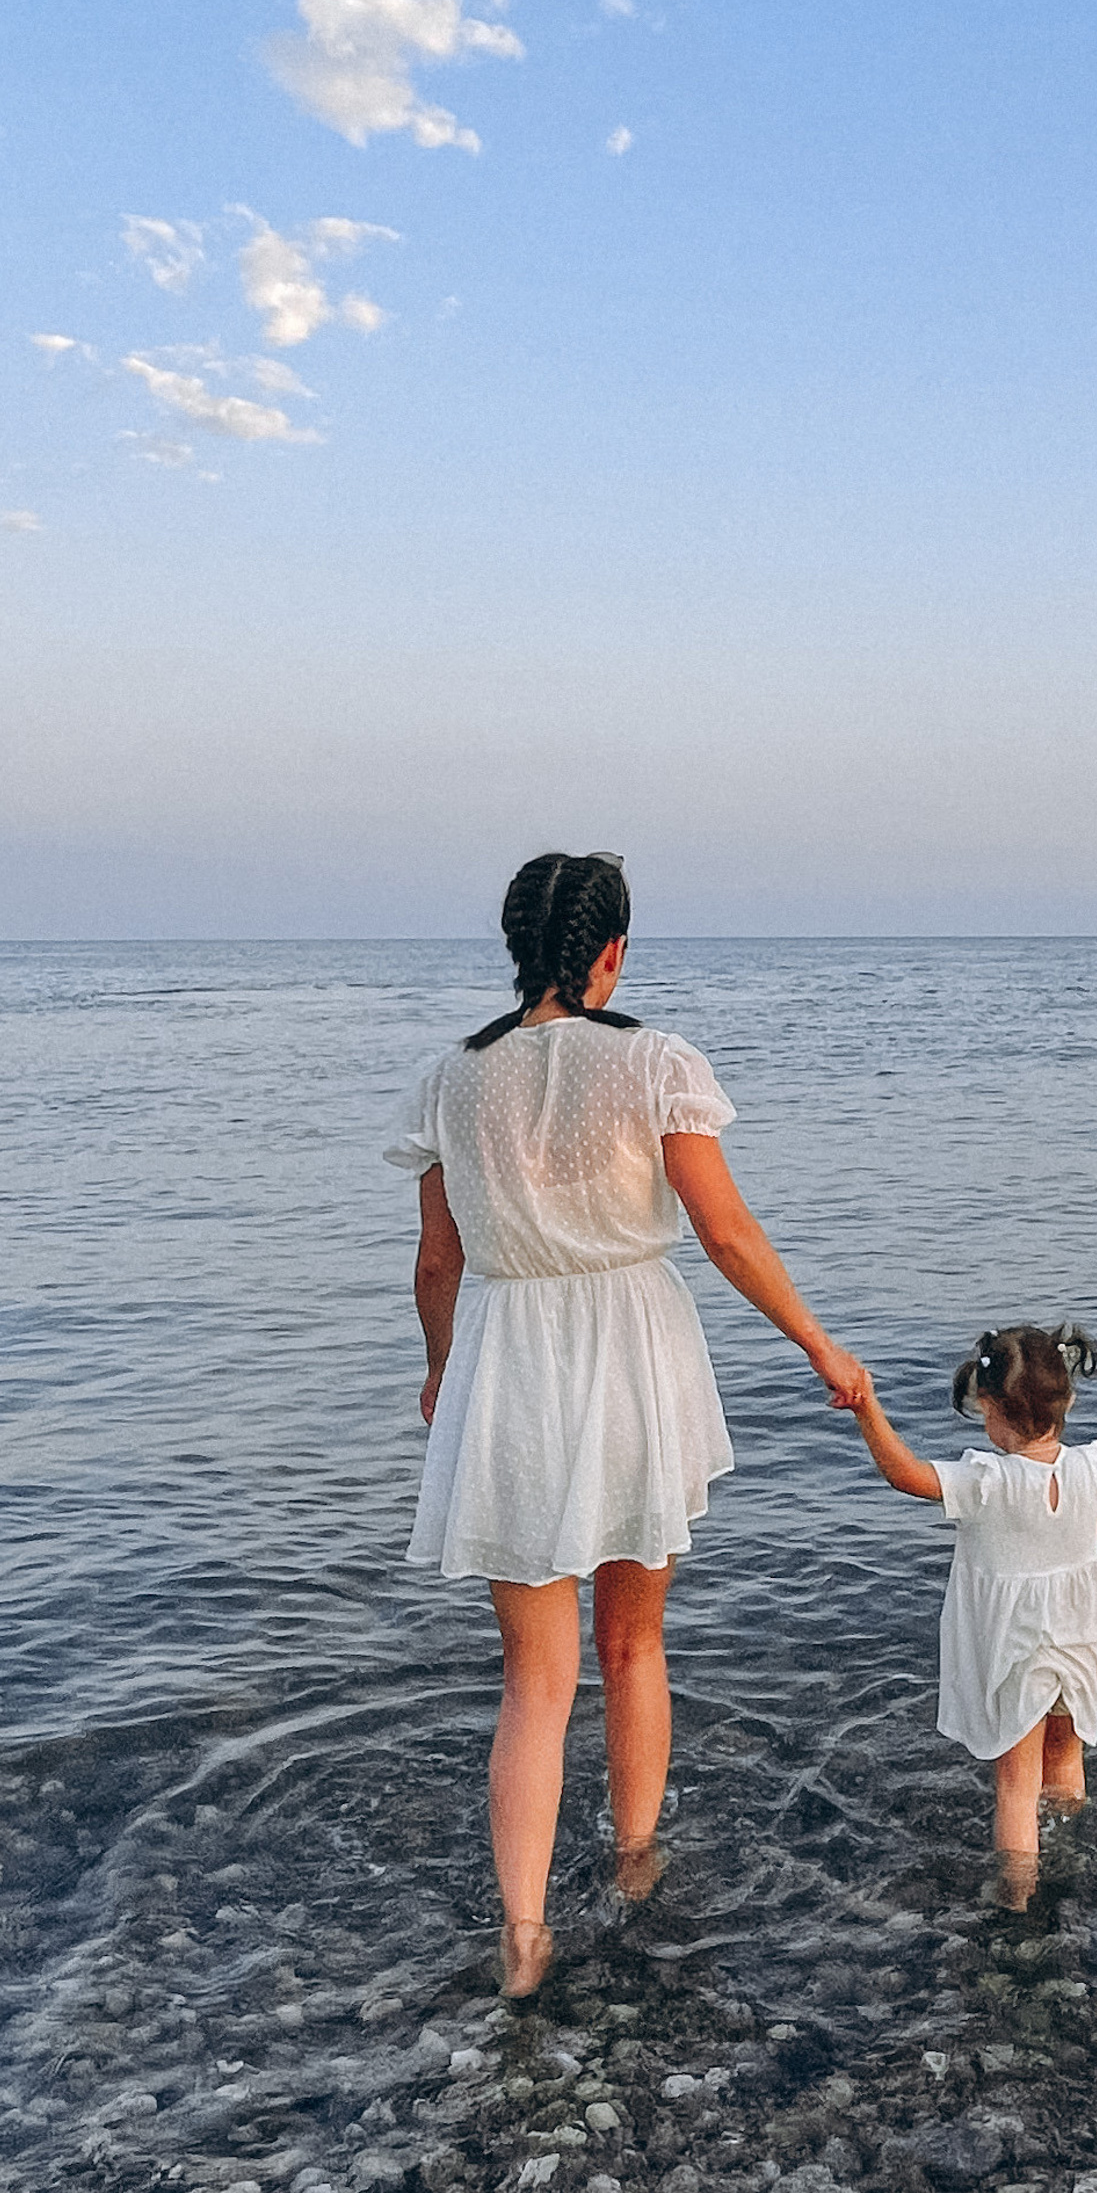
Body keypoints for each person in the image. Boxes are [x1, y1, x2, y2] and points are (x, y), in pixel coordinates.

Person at [388, 852, 866, 1996]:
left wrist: (442, 1367)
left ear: (519, 948)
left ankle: (521, 1935)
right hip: (631, 1358)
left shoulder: (454, 1078)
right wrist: (817, 1343)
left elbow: (436, 1262)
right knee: (632, 1643)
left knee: (532, 1682)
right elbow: (728, 1232)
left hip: (507, 1363)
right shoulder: (655, 1064)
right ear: (612, 953)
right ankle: (638, 1868)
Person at [845, 1323, 1097, 1906]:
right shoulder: (1089, 1471)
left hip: (1020, 1645)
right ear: (1064, 1401)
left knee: (1017, 1783)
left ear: (992, 1410)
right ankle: (1070, 1851)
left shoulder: (987, 1481)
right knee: (1066, 1753)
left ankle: (1017, 1899)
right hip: (1083, 1636)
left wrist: (868, 1409)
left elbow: (904, 1474)